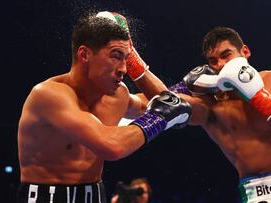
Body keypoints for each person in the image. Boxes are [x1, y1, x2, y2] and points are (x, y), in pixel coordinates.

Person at [16, 11, 191, 203]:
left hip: (95, 194)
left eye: (126, 59)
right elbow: (112, 146)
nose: (123, 69)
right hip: (46, 197)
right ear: (84, 54)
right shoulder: (49, 95)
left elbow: (165, 101)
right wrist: (160, 117)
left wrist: (138, 67)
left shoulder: (117, 95)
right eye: (116, 56)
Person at [169, 26, 271, 202]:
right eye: (213, 61)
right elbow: (162, 103)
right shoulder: (212, 105)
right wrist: (136, 66)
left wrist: (258, 96)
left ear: (245, 51)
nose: (221, 65)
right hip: (257, 195)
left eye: (226, 55)